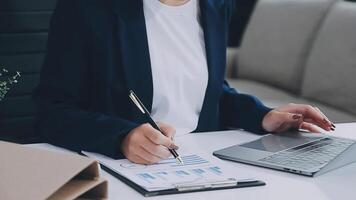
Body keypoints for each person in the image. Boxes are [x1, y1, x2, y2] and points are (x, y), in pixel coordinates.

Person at [34, 0, 335, 165]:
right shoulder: (87, 9)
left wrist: (263, 116)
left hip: (203, 165)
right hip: (127, 171)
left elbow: (210, 92)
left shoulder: (217, 6)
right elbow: (52, 111)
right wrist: (121, 137)